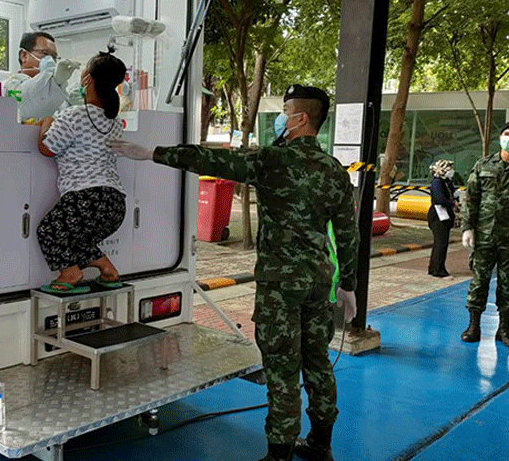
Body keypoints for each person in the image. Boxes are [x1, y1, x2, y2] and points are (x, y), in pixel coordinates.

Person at [112, 84, 359, 461]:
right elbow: (347, 233)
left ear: (301, 119)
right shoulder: (335, 172)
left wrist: (151, 153)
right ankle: (321, 445)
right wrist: (348, 286)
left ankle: (279, 455)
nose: (282, 118)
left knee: (282, 368)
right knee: (318, 363)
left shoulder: (273, 161)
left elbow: (214, 161)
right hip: (318, 281)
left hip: (280, 284)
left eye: (286, 111)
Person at [35, 49, 128, 294]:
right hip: (115, 203)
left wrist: (46, 122)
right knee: (76, 238)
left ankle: (70, 273)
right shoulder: (114, 122)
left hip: (85, 196)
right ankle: (108, 270)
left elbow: (47, 148)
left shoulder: (73, 116)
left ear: (87, 80)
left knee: (49, 231)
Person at [460, 119, 509, 349]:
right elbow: (470, 198)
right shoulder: (483, 165)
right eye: (507, 134)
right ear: (500, 137)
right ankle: (473, 326)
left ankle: (504, 329)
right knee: (479, 281)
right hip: (484, 236)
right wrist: (467, 227)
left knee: (508, 284)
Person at [3, 32, 81, 122]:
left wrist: (73, 104)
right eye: (44, 54)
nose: (51, 60)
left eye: (54, 57)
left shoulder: (56, 89)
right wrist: (54, 81)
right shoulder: (12, 85)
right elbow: (21, 107)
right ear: (24, 56)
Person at [427, 159, 458, 279]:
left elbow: (454, 194)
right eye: (448, 169)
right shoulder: (437, 182)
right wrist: (452, 204)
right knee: (441, 243)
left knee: (440, 243)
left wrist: (456, 201)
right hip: (438, 216)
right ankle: (438, 270)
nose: (451, 171)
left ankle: (433, 267)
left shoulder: (447, 182)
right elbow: (440, 199)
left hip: (445, 216)